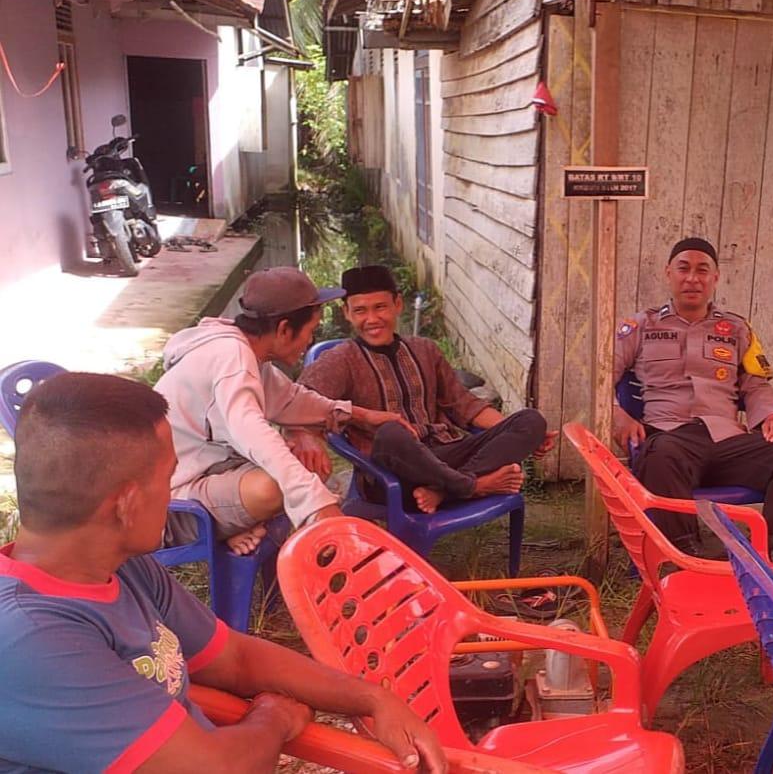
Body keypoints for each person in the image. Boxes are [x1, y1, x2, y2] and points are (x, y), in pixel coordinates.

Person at [0, 371, 447, 773]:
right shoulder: (30, 639)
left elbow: (234, 657)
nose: (174, 492)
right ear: (126, 504)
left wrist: (373, 698)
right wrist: (273, 718)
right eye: (169, 477)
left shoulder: (118, 565)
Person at [155, 268, 402, 556]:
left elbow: (290, 401)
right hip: (171, 508)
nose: (309, 341)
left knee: (302, 466)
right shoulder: (232, 361)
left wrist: (361, 415)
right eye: (310, 331)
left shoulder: (245, 353)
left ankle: (237, 528)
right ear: (284, 329)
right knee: (275, 486)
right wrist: (319, 507)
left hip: (209, 473)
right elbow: (256, 436)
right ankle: (235, 532)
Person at [613, 237, 773, 564]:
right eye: (683, 268)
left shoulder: (736, 328)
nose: (692, 278)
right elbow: (600, 378)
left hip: (727, 441)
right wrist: (618, 415)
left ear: (715, 277)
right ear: (668, 273)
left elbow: (755, 383)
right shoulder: (640, 326)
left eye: (702, 270)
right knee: (659, 456)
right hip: (670, 436)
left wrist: (770, 417)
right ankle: (683, 558)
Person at [295, 265, 555, 514]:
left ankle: (446, 490)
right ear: (347, 313)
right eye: (360, 310)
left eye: (380, 307)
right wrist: (305, 435)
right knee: (391, 432)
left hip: (447, 455)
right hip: (392, 472)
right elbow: (299, 400)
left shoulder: (426, 350)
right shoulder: (340, 359)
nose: (372, 319)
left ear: (398, 304)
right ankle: (473, 486)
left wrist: (513, 430)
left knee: (531, 420)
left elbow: (466, 406)